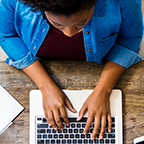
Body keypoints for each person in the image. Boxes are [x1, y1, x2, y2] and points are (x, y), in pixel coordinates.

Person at [0, 0, 143, 140]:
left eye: (81, 22)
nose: (69, 33)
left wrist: (103, 90)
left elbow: (131, 37)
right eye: (57, 24)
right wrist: (45, 85)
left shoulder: (124, 2)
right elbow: (6, 35)